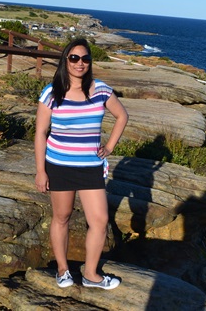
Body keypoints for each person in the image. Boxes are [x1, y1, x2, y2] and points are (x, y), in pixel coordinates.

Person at [34, 38, 129, 290]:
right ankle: (63, 270)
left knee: (99, 220)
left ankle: (90, 274)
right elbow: (41, 132)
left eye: (85, 58)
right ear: (66, 60)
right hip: (59, 165)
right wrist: (41, 171)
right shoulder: (52, 92)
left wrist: (109, 147)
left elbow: (122, 115)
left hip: (90, 167)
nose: (80, 63)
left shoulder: (100, 90)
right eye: (74, 58)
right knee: (62, 217)